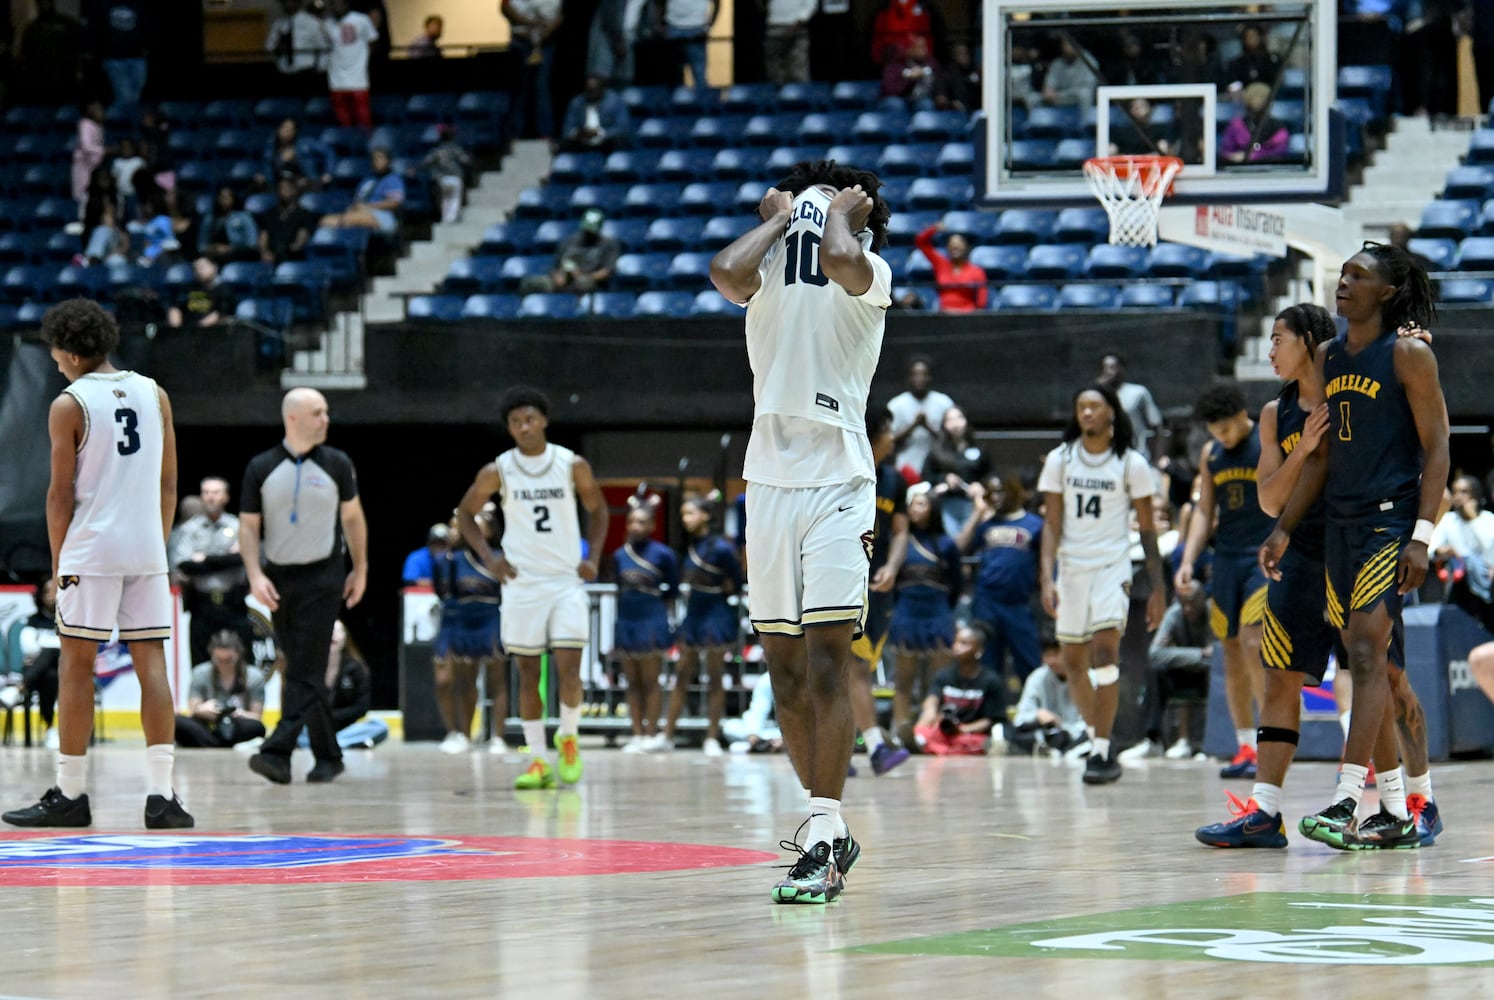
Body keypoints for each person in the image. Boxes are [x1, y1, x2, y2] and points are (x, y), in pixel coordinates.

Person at [709, 158, 892, 904]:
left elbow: (844, 256)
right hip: (770, 482)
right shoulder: (769, 262)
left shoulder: (868, 267)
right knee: (782, 671)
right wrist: (780, 218)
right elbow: (723, 271)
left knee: (826, 661)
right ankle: (824, 824)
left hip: (839, 479)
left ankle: (822, 829)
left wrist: (838, 215)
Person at [1201, 303, 1442, 848]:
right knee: (1280, 676)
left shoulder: (1355, 391)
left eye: (1278, 338)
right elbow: (1267, 499)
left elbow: (1422, 431)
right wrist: (1304, 449)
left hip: (1360, 550)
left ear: (1309, 341)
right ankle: (1264, 812)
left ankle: (1415, 800)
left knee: (1386, 677)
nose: (1269, 351)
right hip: (1301, 557)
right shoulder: (1275, 412)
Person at [1262, 244, 1449, 849]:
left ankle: (1347, 802)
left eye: (1357, 276)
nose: (1343, 283)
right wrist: (1285, 526)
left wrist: (1422, 536)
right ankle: (1396, 811)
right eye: (1341, 274)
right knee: (1370, 664)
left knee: (1369, 658)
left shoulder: (1409, 355)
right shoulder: (1327, 355)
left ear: (1388, 292)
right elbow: (1322, 455)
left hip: (1388, 524)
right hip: (1338, 527)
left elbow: (1440, 448)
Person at [4, 299, 192, 829]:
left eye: (54, 354)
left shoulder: (70, 403)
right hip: (147, 550)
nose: (55, 363)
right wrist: (153, 544)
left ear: (67, 351)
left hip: (92, 549)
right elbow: (169, 483)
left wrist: (60, 562)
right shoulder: (155, 393)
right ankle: (163, 797)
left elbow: (59, 496)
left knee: (76, 667)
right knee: (152, 664)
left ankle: (69, 793)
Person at [455, 386, 610, 790]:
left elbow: (598, 509)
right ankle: (538, 759)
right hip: (522, 583)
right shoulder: (498, 470)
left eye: (529, 419)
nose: (523, 426)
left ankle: (570, 737)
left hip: (564, 580)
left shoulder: (570, 464)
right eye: (515, 422)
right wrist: (490, 559)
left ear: (543, 420)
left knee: (569, 668)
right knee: (527, 673)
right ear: (509, 428)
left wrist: (592, 556)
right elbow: (465, 513)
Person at [1038, 382, 1166, 785]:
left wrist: (1159, 588)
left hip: (1113, 566)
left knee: (1105, 652)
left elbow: (1147, 531)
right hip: (1071, 569)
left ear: (1112, 412)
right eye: (1081, 407)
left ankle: (1102, 747)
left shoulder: (1131, 463)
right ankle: (1099, 741)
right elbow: (1052, 523)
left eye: (1094, 406)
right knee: (1073, 661)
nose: (1087, 413)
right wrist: (1047, 575)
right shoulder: (1061, 460)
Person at [241, 388, 368, 785]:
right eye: (317, 413)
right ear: (292, 418)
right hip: (279, 579)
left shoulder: (337, 464)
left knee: (306, 666)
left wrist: (360, 567)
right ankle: (329, 756)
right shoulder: (261, 466)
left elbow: (353, 519)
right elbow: (248, 526)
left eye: (326, 412)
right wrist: (255, 574)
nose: (325, 419)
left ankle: (277, 750)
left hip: (323, 577)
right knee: (301, 668)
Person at [1174, 385, 1273, 779]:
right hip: (1226, 559)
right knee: (1229, 650)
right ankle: (1245, 744)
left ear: (1240, 415)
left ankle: (1271, 741)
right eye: (1216, 432)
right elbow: (1203, 511)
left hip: (1263, 556)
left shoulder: (1268, 441)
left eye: (1228, 429)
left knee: (1253, 640)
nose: (1223, 438)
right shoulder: (1210, 455)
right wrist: (1187, 558)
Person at [849, 407, 910, 776]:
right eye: (888, 430)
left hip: (881, 588)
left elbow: (901, 531)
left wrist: (893, 565)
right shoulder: (845, 470)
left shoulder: (894, 481)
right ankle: (874, 746)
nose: (893, 437)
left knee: (856, 671)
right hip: (846, 584)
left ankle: (838, 752)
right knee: (852, 668)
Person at [664, 493, 744, 756]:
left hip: (715, 611)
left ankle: (712, 736)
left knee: (715, 675)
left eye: (691, 513)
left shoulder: (720, 548)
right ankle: (667, 735)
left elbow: (735, 580)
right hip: (694, 612)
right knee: (682, 673)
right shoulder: (686, 546)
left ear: (706, 515)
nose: (685, 519)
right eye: (683, 514)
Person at [886, 488, 961, 737]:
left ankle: (930, 732)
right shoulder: (900, 541)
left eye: (921, 504)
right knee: (903, 681)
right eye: (913, 504)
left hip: (938, 613)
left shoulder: (946, 543)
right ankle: (901, 732)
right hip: (906, 612)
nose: (915, 509)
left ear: (933, 508)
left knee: (936, 682)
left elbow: (956, 585)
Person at [959, 472, 1044, 683]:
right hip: (987, 602)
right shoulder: (986, 525)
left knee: (1030, 662)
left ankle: (1035, 712)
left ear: (1014, 491)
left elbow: (1047, 561)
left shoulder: (1035, 524)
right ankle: (990, 713)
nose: (996, 497)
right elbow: (958, 548)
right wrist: (977, 514)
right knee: (987, 663)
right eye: (991, 493)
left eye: (1000, 491)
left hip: (1018, 604)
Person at [612, 499, 679, 752]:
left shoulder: (663, 554)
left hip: (652, 618)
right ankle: (637, 734)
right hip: (627, 619)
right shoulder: (619, 555)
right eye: (631, 521)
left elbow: (671, 589)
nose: (635, 526)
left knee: (651, 681)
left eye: (641, 521)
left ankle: (652, 734)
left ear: (652, 525)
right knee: (632, 681)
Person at [432, 522, 503, 753]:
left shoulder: (499, 556)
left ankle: (498, 737)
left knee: (496, 679)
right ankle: (461, 733)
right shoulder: (452, 558)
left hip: (491, 615)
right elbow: (441, 589)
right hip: (460, 617)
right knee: (461, 679)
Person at [170, 476, 251, 667]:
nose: (210, 497)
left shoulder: (238, 526)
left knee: (243, 661)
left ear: (226, 497)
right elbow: (184, 565)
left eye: (215, 493)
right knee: (200, 663)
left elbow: (242, 559)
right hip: (202, 606)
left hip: (234, 604)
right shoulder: (189, 529)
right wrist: (226, 559)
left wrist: (205, 559)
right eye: (206, 493)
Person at [1142, 578, 1213, 760]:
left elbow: (1219, 656)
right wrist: (1199, 654)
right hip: (1184, 670)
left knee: (1219, 676)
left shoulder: (1214, 613)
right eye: (1184, 604)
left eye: (1193, 604)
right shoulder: (1173, 614)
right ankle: (1152, 741)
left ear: (1202, 599)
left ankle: (1209, 743)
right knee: (1156, 670)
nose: (1188, 609)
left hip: (1209, 674)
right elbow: (1155, 652)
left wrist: (1175, 653)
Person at [911, 624, 1005, 755]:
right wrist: (930, 711)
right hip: (943, 731)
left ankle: (927, 746)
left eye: (964, 643)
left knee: (978, 742)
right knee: (925, 732)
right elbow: (932, 698)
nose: (957, 647)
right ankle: (915, 741)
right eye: (956, 642)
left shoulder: (991, 681)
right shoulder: (944, 675)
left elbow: (990, 720)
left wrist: (963, 729)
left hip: (969, 732)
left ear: (979, 651)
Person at [302, 620, 388, 750]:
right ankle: (336, 744)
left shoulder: (356, 669)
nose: (333, 635)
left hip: (345, 728)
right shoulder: (310, 668)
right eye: (330, 630)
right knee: (295, 731)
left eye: (338, 631)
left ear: (345, 637)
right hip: (315, 727)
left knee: (380, 726)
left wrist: (334, 717)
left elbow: (361, 706)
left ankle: (333, 744)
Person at [173, 631, 267, 749]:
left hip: (238, 725)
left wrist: (240, 714)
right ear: (212, 655)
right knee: (177, 722)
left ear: (238, 655)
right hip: (208, 727)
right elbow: (193, 711)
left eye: (229, 660)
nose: (224, 665)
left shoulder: (254, 676)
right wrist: (203, 710)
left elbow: (257, 716)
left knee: (256, 727)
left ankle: (211, 745)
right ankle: (223, 745)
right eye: (219, 660)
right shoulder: (200, 673)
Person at [1430, 475, 1494, 631]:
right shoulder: (1449, 520)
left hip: (1487, 579)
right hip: (1460, 582)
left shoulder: (1487, 519)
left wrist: (1472, 518)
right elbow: (1431, 550)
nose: (1459, 496)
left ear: (1475, 495)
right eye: (1455, 492)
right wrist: (1445, 550)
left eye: (1464, 492)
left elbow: (1488, 550)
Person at [5, 579, 61, 750]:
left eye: (56, 591)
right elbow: (28, 648)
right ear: (40, 596)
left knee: (50, 655)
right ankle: (50, 728)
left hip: (64, 670)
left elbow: (68, 650)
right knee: (49, 675)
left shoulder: (68, 621)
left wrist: (46, 650)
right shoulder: (32, 621)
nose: (52, 597)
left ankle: (17, 689)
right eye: (48, 592)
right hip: (42, 673)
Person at [1009, 638, 1089, 754]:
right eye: (1047, 654)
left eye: (1056, 653)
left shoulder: (1089, 678)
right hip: (1049, 734)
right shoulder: (1037, 677)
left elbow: (1093, 722)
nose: (1051, 660)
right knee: (1012, 734)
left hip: (1078, 736)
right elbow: (1020, 718)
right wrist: (1037, 714)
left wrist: (1068, 730)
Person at [922, 405, 989, 536]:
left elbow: (989, 473)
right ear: (944, 424)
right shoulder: (937, 451)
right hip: (946, 503)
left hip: (972, 502)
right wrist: (944, 479)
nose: (955, 424)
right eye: (950, 420)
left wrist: (981, 484)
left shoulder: (979, 448)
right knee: (953, 541)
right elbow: (926, 475)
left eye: (959, 418)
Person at [887, 356, 955, 483]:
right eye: (915, 374)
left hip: (937, 468)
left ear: (930, 377)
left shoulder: (944, 402)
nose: (920, 379)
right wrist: (913, 425)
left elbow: (951, 439)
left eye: (924, 374)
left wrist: (927, 426)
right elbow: (889, 440)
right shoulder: (895, 405)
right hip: (904, 467)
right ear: (908, 378)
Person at [521, 208, 621, 294]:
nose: (589, 233)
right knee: (530, 283)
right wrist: (558, 277)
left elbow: (606, 272)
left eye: (592, 230)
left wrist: (583, 276)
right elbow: (555, 267)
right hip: (564, 279)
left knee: (583, 283)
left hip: (588, 280)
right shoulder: (568, 242)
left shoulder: (609, 245)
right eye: (586, 229)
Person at [503, 0, 563, 139]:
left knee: (542, 88)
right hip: (521, 39)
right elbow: (505, 6)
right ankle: (515, 134)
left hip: (547, 40)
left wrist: (544, 33)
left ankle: (545, 133)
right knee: (519, 88)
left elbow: (562, 13)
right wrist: (530, 23)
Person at [319, 148, 404, 236]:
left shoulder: (393, 179)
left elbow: (395, 203)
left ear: (388, 161)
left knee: (350, 219)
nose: (376, 161)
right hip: (359, 212)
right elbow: (358, 199)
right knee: (326, 221)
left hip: (383, 216)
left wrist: (369, 206)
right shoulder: (368, 180)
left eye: (379, 158)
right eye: (373, 158)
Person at [1097, 352, 1164, 462]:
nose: (1108, 372)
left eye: (1112, 367)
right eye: (1104, 368)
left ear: (1122, 369)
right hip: (1106, 459)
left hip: (1137, 455)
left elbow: (1157, 427)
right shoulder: (1097, 396)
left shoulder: (1138, 393)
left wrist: (1158, 458)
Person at [322, 0, 379, 129]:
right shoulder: (327, 23)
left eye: (339, 3)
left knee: (364, 123)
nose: (336, 6)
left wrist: (362, 58)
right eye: (333, 3)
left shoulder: (361, 19)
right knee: (344, 125)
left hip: (358, 79)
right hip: (336, 81)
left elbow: (373, 41)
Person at [85, 0, 149, 107]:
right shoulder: (102, 4)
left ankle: (126, 120)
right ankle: (127, 120)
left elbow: (146, 25)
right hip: (113, 58)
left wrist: (145, 46)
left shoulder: (138, 4)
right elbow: (94, 28)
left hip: (137, 57)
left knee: (138, 96)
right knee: (126, 97)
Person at [912, 223, 987, 313]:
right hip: (944, 315)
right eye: (952, 245)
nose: (955, 247)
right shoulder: (941, 264)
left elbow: (982, 301)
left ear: (966, 248)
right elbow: (920, 242)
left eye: (959, 245)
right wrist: (934, 229)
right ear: (947, 248)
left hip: (967, 316)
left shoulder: (976, 271)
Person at [559, 76, 632, 154]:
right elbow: (567, 130)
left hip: (607, 142)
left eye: (594, 91)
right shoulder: (577, 103)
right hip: (582, 141)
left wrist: (600, 132)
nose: (591, 94)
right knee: (561, 145)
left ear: (603, 90)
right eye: (588, 90)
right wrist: (578, 133)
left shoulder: (615, 101)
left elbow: (623, 128)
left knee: (617, 142)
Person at [1221, 82, 1289, 164]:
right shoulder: (1236, 126)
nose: (1258, 101)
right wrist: (1234, 156)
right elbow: (1226, 152)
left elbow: (1280, 152)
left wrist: (1253, 156)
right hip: (1240, 171)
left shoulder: (1278, 128)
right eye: (1254, 97)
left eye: (1262, 98)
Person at [266, 0, 329, 89]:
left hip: (306, 72)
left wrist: (319, 70)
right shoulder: (279, 24)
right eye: (284, 2)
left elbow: (324, 47)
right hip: (284, 72)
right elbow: (269, 47)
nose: (287, 4)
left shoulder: (311, 21)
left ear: (298, 2)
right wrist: (279, 42)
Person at [259, 176, 317, 266]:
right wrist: (264, 252)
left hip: (291, 255)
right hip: (270, 255)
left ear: (295, 190)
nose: (284, 191)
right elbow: (264, 236)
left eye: (288, 188)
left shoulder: (304, 214)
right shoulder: (269, 214)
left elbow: (302, 237)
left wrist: (293, 248)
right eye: (281, 188)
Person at [421, 126, 473, 225]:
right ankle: (451, 218)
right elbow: (465, 160)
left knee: (445, 199)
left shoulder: (437, 150)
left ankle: (446, 218)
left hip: (442, 178)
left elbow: (427, 161)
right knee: (454, 198)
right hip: (455, 177)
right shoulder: (456, 149)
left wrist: (416, 169)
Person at [660, 0, 718, 88]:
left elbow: (717, 3)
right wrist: (661, 27)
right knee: (674, 73)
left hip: (697, 29)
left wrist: (707, 28)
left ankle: (701, 99)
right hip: (673, 28)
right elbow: (658, 3)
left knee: (699, 72)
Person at [198, 185, 260, 265]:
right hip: (214, 257)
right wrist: (214, 248)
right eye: (222, 197)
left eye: (227, 197)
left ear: (233, 199)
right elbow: (201, 245)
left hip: (239, 255)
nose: (224, 201)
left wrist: (230, 249)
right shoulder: (209, 219)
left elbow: (252, 243)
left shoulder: (244, 217)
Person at [880, 34, 942, 104]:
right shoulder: (895, 65)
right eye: (920, 47)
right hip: (899, 99)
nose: (925, 50)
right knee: (895, 104)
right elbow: (889, 91)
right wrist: (908, 78)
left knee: (926, 104)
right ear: (909, 48)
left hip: (921, 99)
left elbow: (940, 82)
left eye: (925, 47)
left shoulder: (931, 62)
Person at [764, 0, 814, 84]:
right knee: (774, 71)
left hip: (796, 28)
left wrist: (795, 27)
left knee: (797, 69)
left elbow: (809, 8)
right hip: (773, 27)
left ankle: (799, 94)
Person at [72, 101, 106, 217]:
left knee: (95, 195)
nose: (100, 112)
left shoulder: (99, 126)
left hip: (95, 167)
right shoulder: (85, 124)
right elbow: (86, 146)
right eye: (96, 109)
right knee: (83, 195)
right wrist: (105, 150)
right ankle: (83, 219)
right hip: (84, 166)